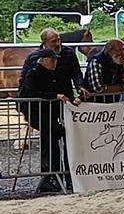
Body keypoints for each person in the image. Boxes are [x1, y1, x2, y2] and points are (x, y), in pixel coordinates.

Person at [19, 49, 79, 193]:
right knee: (52, 138)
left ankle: (55, 174)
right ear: (43, 60)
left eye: (55, 60)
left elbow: (60, 90)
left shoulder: (50, 74)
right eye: (52, 60)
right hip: (36, 113)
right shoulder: (33, 73)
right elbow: (33, 93)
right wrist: (55, 96)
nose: (55, 62)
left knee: (54, 138)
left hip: (48, 113)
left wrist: (71, 99)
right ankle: (50, 174)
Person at [19, 28, 85, 100]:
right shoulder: (33, 57)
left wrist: (79, 86)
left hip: (64, 97)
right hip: (42, 100)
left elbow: (76, 73)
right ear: (45, 43)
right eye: (53, 41)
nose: (57, 43)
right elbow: (24, 80)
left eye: (59, 40)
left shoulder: (69, 53)